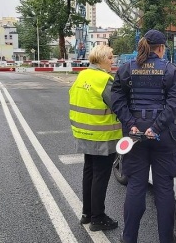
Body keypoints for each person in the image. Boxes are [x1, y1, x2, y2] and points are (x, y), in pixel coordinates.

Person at [111, 29, 176, 243]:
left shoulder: (126, 69)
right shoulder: (170, 70)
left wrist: (132, 125)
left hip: (135, 139)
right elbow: (174, 103)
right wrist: (157, 128)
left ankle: (129, 238)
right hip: (163, 138)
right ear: (161, 48)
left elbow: (117, 101)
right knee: (164, 191)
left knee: (135, 187)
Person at [68, 44, 122, 232]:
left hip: (83, 133)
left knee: (89, 172)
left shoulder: (82, 76)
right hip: (102, 134)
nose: (112, 61)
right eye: (109, 58)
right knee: (100, 175)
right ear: (100, 59)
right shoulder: (104, 80)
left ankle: (87, 213)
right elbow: (118, 105)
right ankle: (98, 218)